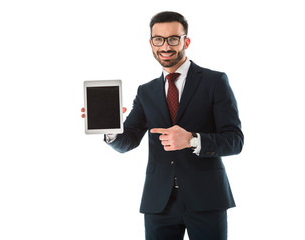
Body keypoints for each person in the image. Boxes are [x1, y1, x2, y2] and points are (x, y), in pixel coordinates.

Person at [81, 11, 243, 240]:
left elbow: (235, 141)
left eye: (173, 39)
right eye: (159, 39)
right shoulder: (146, 91)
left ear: (186, 41)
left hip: (207, 199)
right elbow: (128, 140)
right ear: (151, 43)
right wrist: (109, 127)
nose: (165, 46)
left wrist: (191, 139)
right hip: (159, 202)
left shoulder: (214, 82)